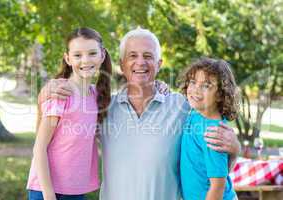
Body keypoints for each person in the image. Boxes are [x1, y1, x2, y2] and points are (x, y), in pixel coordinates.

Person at [38, 28, 240, 200]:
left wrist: (234, 149)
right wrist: (44, 94)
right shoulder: (103, 106)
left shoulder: (183, 108)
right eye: (133, 56)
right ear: (122, 63)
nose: (140, 62)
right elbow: (55, 138)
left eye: (148, 56)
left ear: (159, 64)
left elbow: (209, 162)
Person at [27, 27, 112, 200]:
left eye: (92, 53)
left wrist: (158, 87)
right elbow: (39, 147)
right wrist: (49, 195)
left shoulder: (97, 95)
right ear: (68, 58)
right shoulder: (60, 93)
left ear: (102, 55)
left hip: (74, 191)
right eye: (78, 55)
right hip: (47, 190)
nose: (85, 60)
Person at [180, 58, 239, 200]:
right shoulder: (196, 113)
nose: (196, 90)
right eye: (193, 82)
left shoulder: (214, 133)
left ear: (220, 94)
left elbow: (218, 185)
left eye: (206, 86)